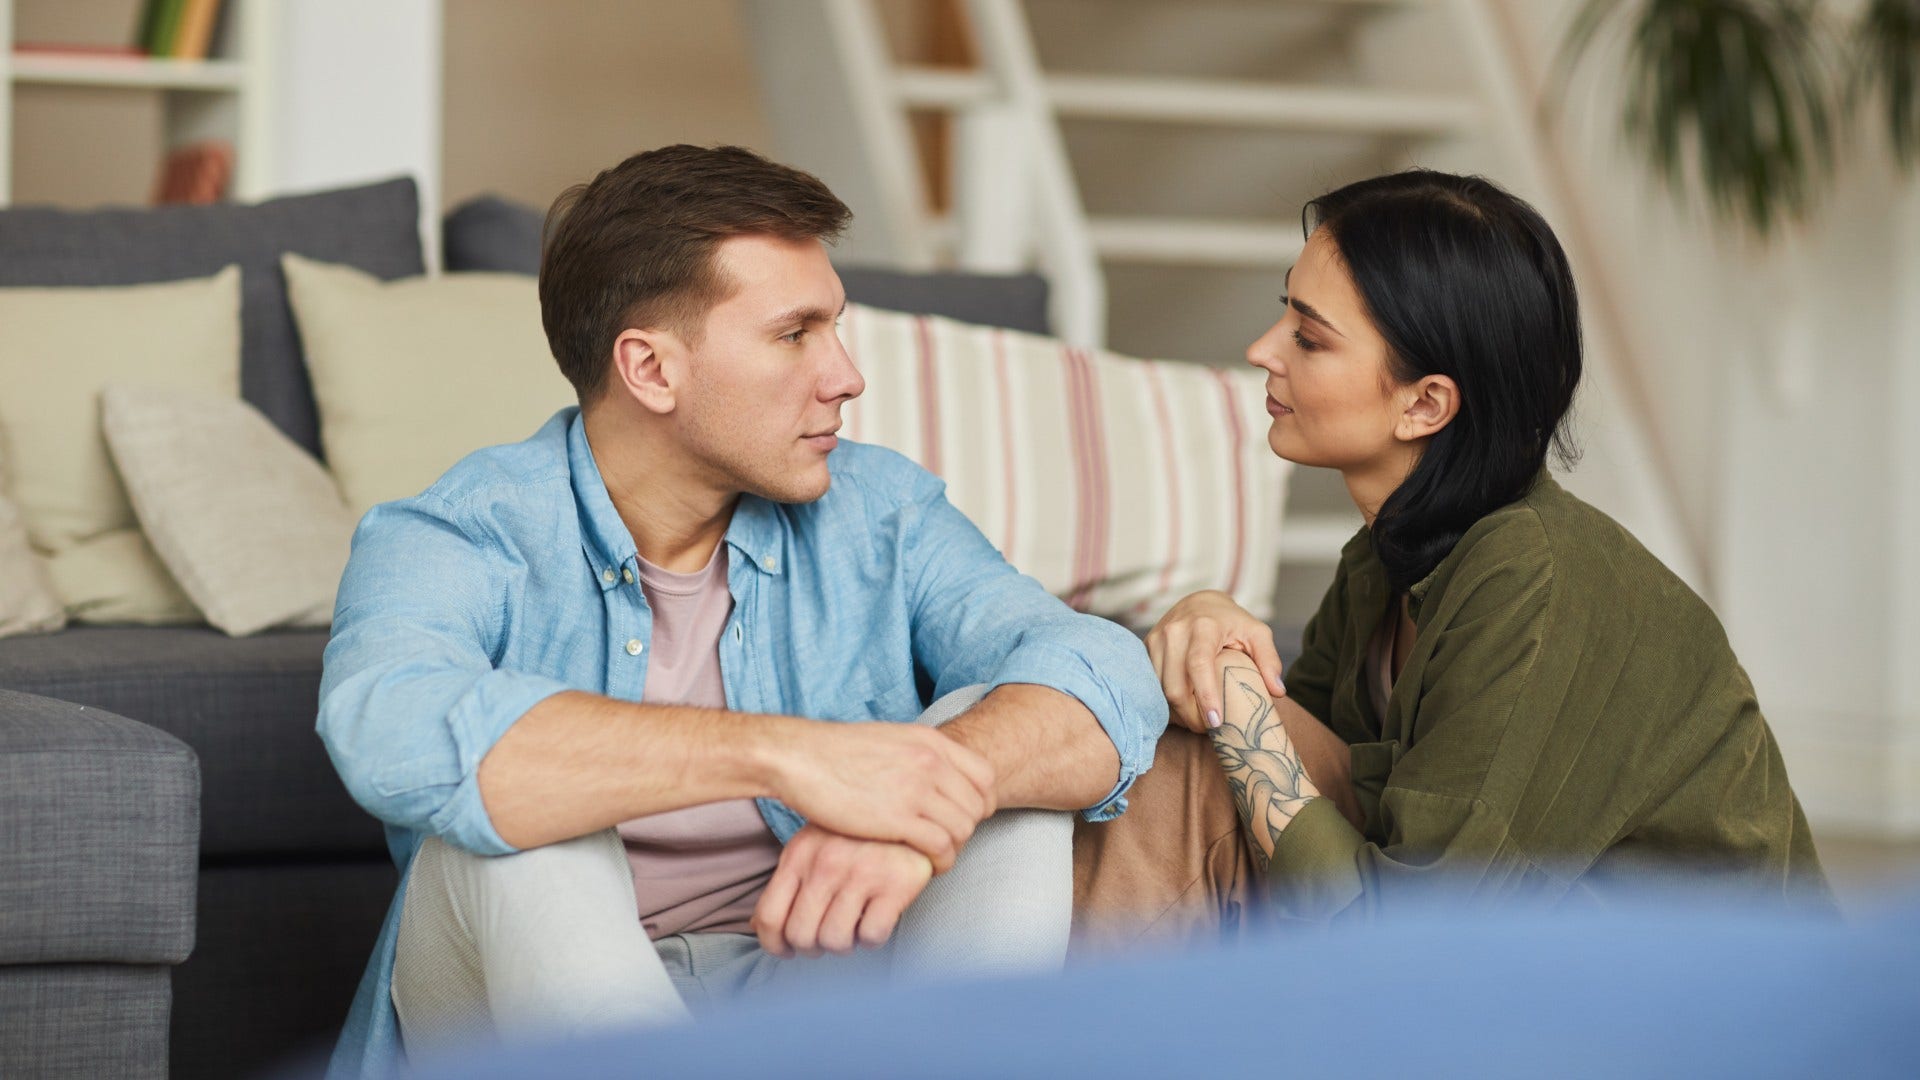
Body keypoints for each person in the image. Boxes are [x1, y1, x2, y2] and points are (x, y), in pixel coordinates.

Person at [316, 144, 1166, 1077]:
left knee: (985, 749)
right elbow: (384, 726)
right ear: (650, 369)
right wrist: (790, 756)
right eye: (795, 333)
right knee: (527, 820)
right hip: (521, 1017)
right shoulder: (456, 533)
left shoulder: (880, 510)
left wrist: (916, 799)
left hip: (814, 986)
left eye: (834, 329)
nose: (846, 375)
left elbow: (1096, 667)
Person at [1146, 169, 1833, 919]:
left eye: (1309, 338)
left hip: (1688, 1010)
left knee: (1206, 757)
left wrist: (1235, 713)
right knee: (1188, 763)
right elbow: (1297, 756)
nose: (1260, 350)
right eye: (1286, 316)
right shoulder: (1385, 556)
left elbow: (1408, 939)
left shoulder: (1527, 581)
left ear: (1426, 404)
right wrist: (1211, 620)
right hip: (1524, 977)